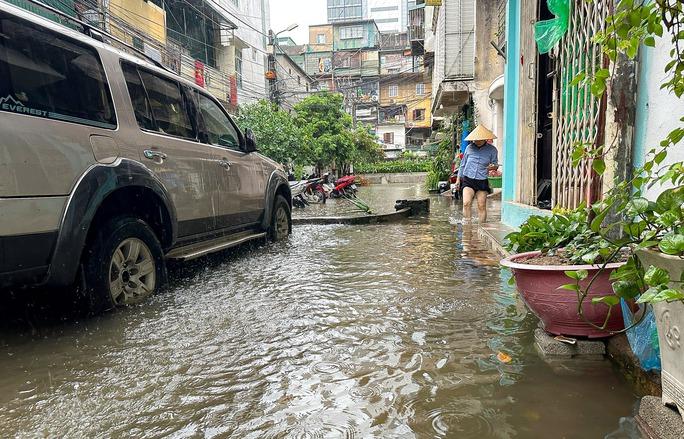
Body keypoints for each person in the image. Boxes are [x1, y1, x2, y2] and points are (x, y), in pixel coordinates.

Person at [455, 124, 499, 223]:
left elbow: (495, 165)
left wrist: (493, 167)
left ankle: (481, 228)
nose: (476, 141)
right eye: (475, 139)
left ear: (485, 139)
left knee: (481, 205)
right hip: (468, 179)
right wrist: (458, 180)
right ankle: (467, 227)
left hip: (482, 181)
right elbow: (463, 165)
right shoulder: (469, 148)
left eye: (479, 139)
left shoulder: (492, 150)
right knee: (466, 203)